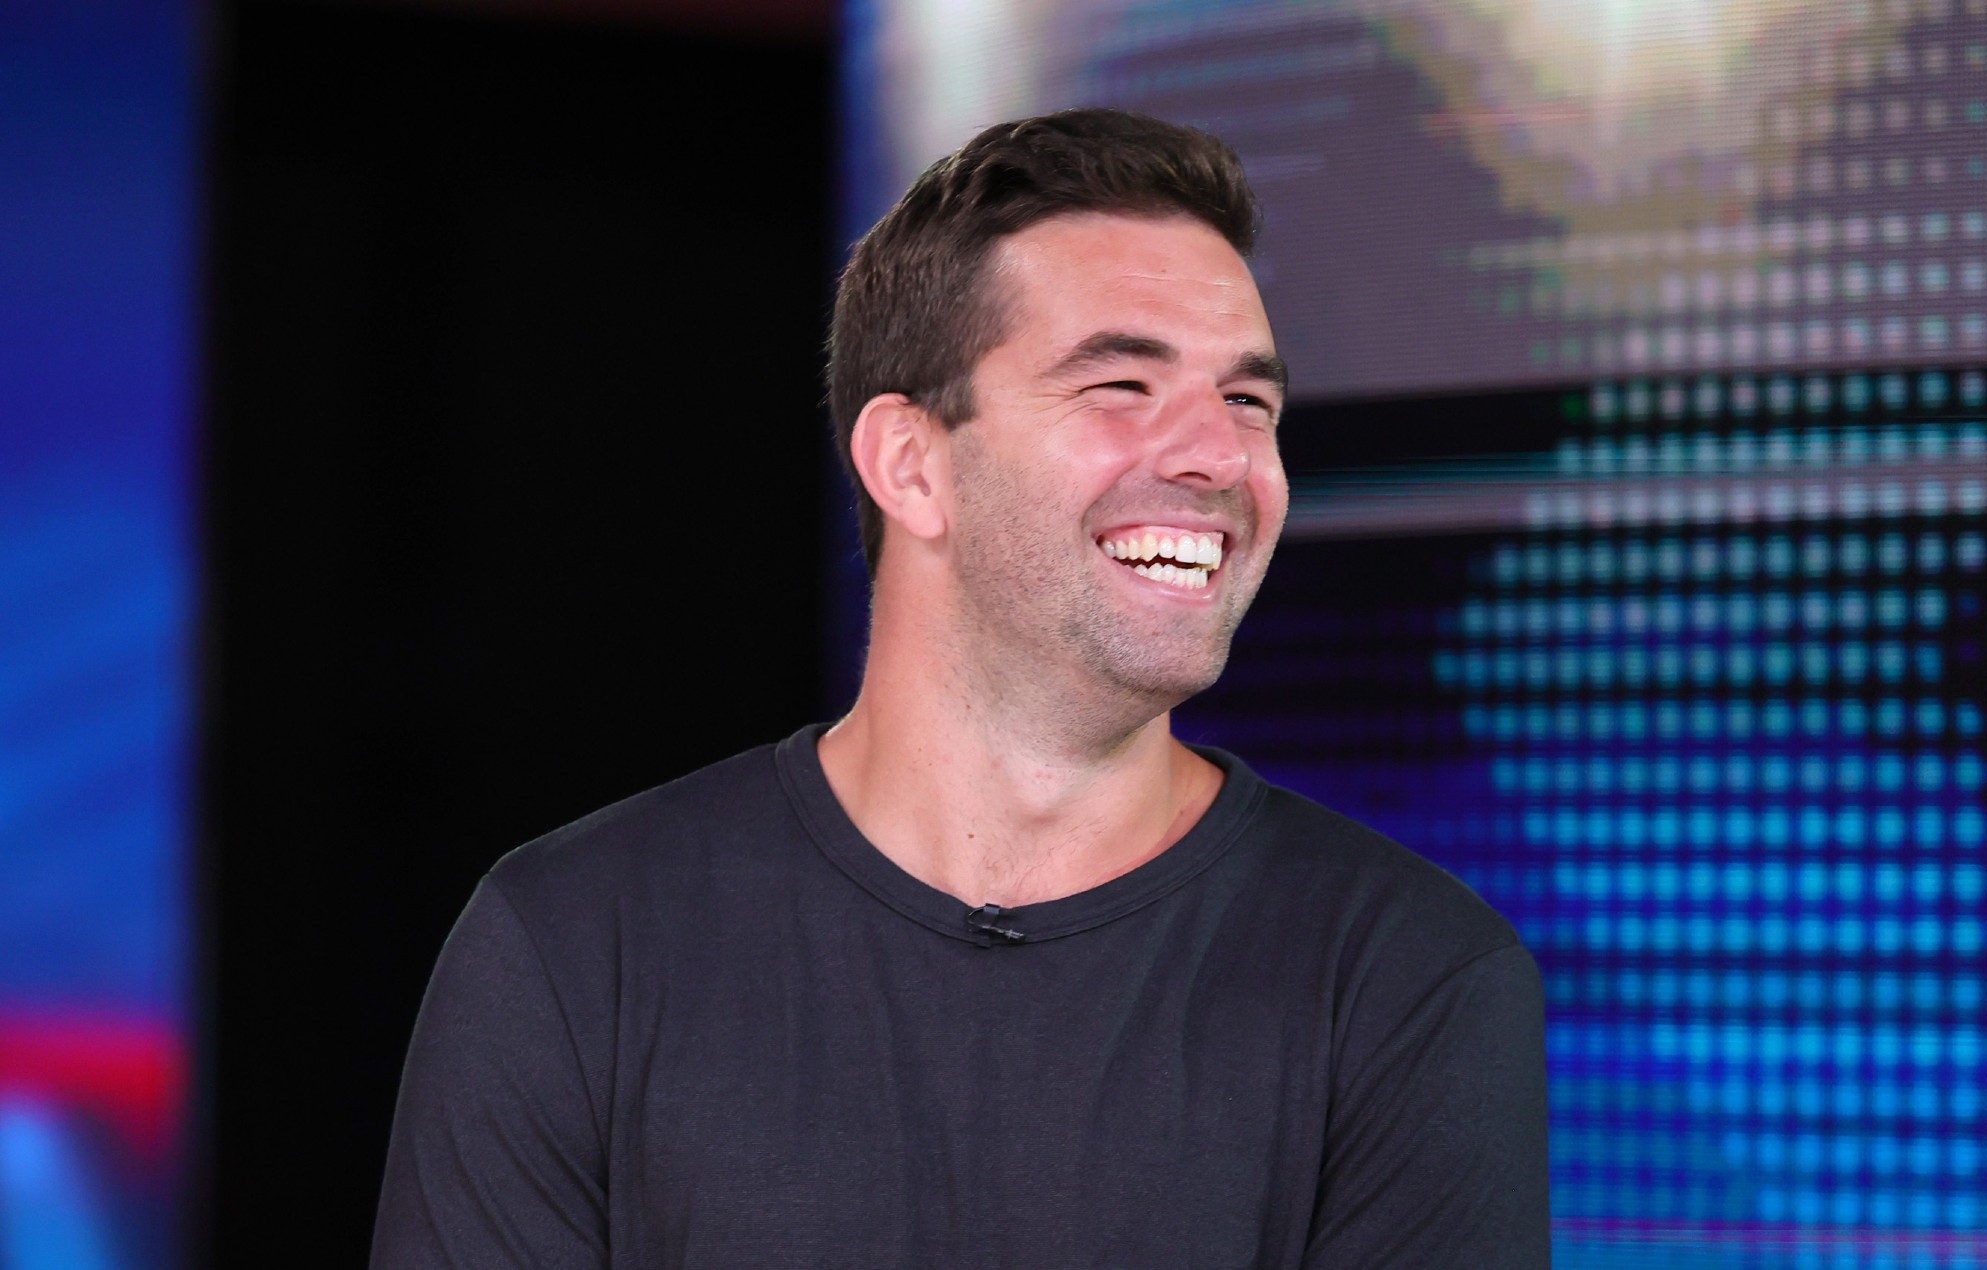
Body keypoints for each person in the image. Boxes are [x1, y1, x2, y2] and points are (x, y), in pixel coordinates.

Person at [370, 107, 1549, 1268]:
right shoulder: (576, 945)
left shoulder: (1407, 978)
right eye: (1119, 384)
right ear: (908, 463)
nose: (1218, 455)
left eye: (1248, 401)